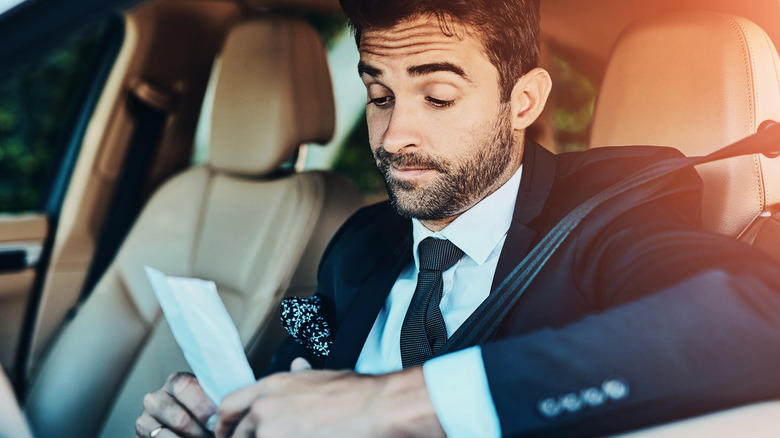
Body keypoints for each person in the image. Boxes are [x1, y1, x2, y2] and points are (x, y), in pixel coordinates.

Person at [135, 0, 780, 436]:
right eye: (379, 96)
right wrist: (226, 415)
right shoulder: (360, 242)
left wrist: (397, 399)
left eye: (437, 97)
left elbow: (761, 317)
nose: (392, 138)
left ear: (522, 100)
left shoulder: (612, 212)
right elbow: (303, 366)